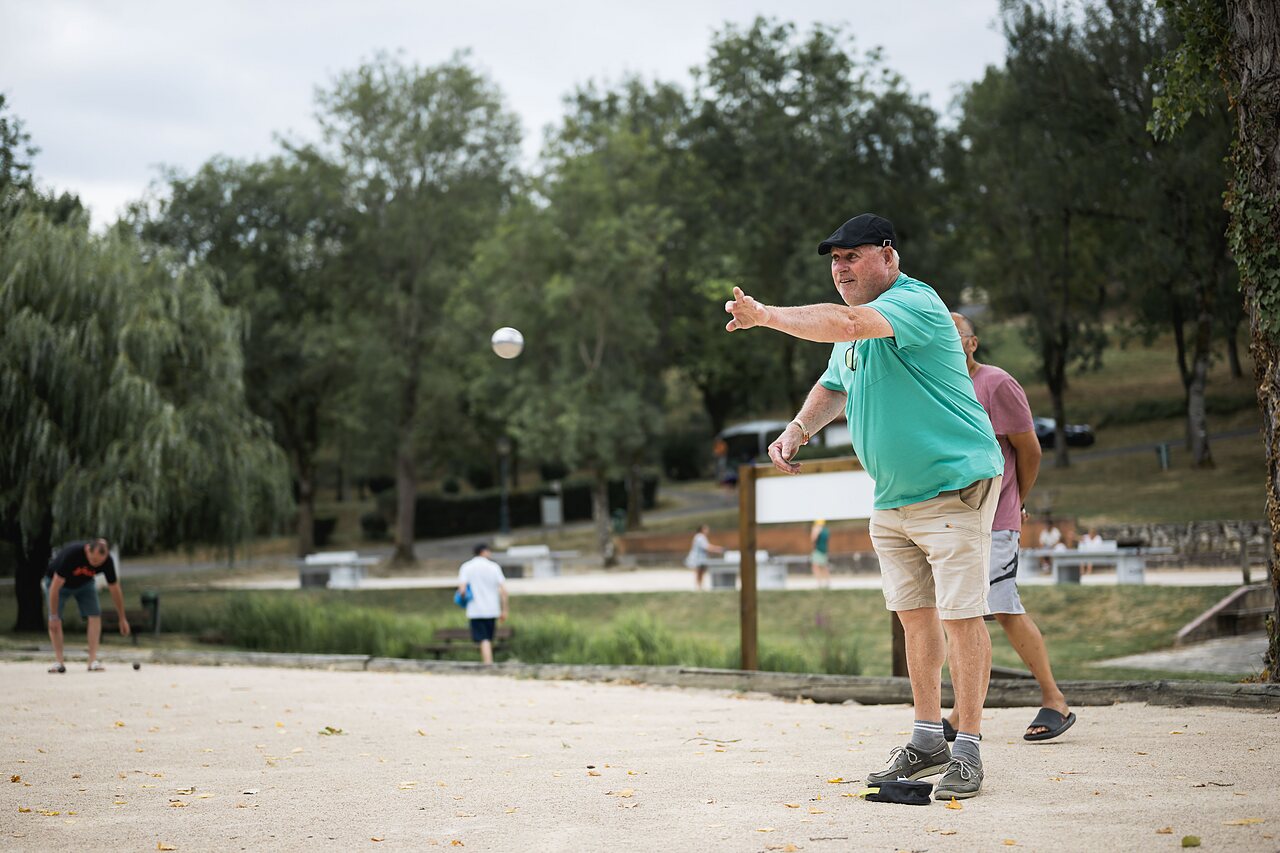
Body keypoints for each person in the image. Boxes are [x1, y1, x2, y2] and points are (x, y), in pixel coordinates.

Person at [725, 213, 1004, 801]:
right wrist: (799, 428)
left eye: (853, 256)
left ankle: (969, 747)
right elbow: (835, 383)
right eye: (834, 259)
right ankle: (928, 738)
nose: (841, 268)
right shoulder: (856, 337)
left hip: (954, 485)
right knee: (914, 617)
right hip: (892, 496)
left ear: (888, 256)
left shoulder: (914, 302)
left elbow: (848, 321)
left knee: (960, 617)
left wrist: (767, 316)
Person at [943, 312, 1076, 743]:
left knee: (1003, 605)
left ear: (973, 342)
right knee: (960, 612)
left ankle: (1054, 699)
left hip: (996, 517)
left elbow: (1029, 450)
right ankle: (962, 712)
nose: (946, 339)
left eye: (954, 334)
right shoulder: (938, 385)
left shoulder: (997, 384)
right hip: (953, 519)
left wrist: (1018, 500)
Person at [43, 538, 130, 673]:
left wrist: (122, 618)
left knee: (95, 615)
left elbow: (115, 589)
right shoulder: (72, 554)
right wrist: (54, 615)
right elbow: (54, 587)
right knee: (55, 621)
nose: (96, 565)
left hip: (84, 584)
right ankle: (59, 662)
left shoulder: (107, 561)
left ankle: (92, 661)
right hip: (58, 584)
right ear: (87, 550)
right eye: (94, 561)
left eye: (99, 563)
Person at [456, 544, 509, 665]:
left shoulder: (467, 567)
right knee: (488, 637)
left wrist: (463, 599)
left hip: (475, 609)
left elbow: (462, 590)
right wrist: (505, 609)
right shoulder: (494, 567)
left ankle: (487, 662)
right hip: (492, 608)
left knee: (483, 638)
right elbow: (504, 590)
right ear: (484, 552)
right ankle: (488, 662)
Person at [685, 524, 725, 590]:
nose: (707, 531)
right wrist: (719, 549)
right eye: (706, 529)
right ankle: (698, 587)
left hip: (701, 558)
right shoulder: (699, 537)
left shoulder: (701, 537)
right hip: (697, 558)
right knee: (699, 573)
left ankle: (700, 586)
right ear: (701, 530)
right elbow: (707, 547)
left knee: (701, 572)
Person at [809, 519, 831, 589]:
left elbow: (813, 539)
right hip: (824, 550)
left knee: (816, 567)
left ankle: (819, 583)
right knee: (824, 567)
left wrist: (814, 531)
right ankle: (827, 582)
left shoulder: (817, 529)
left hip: (818, 550)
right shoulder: (826, 530)